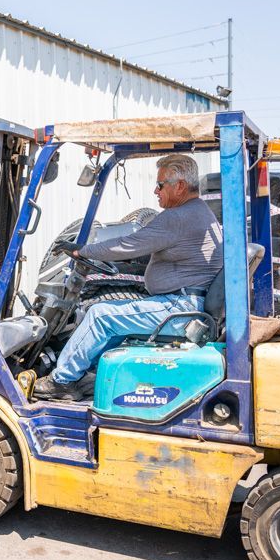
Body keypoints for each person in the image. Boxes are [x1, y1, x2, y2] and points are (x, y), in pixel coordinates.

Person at [32, 154, 223, 401]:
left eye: (161, 184)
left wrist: (82, 250)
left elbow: (129, 244)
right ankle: (88, 375)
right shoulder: (198, 213)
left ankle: (62, 380)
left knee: (100, 315)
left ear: (180, 186)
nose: (156, 190)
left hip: (180, 308)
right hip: (187, 305)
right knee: (117, 315)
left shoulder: (178, 217)